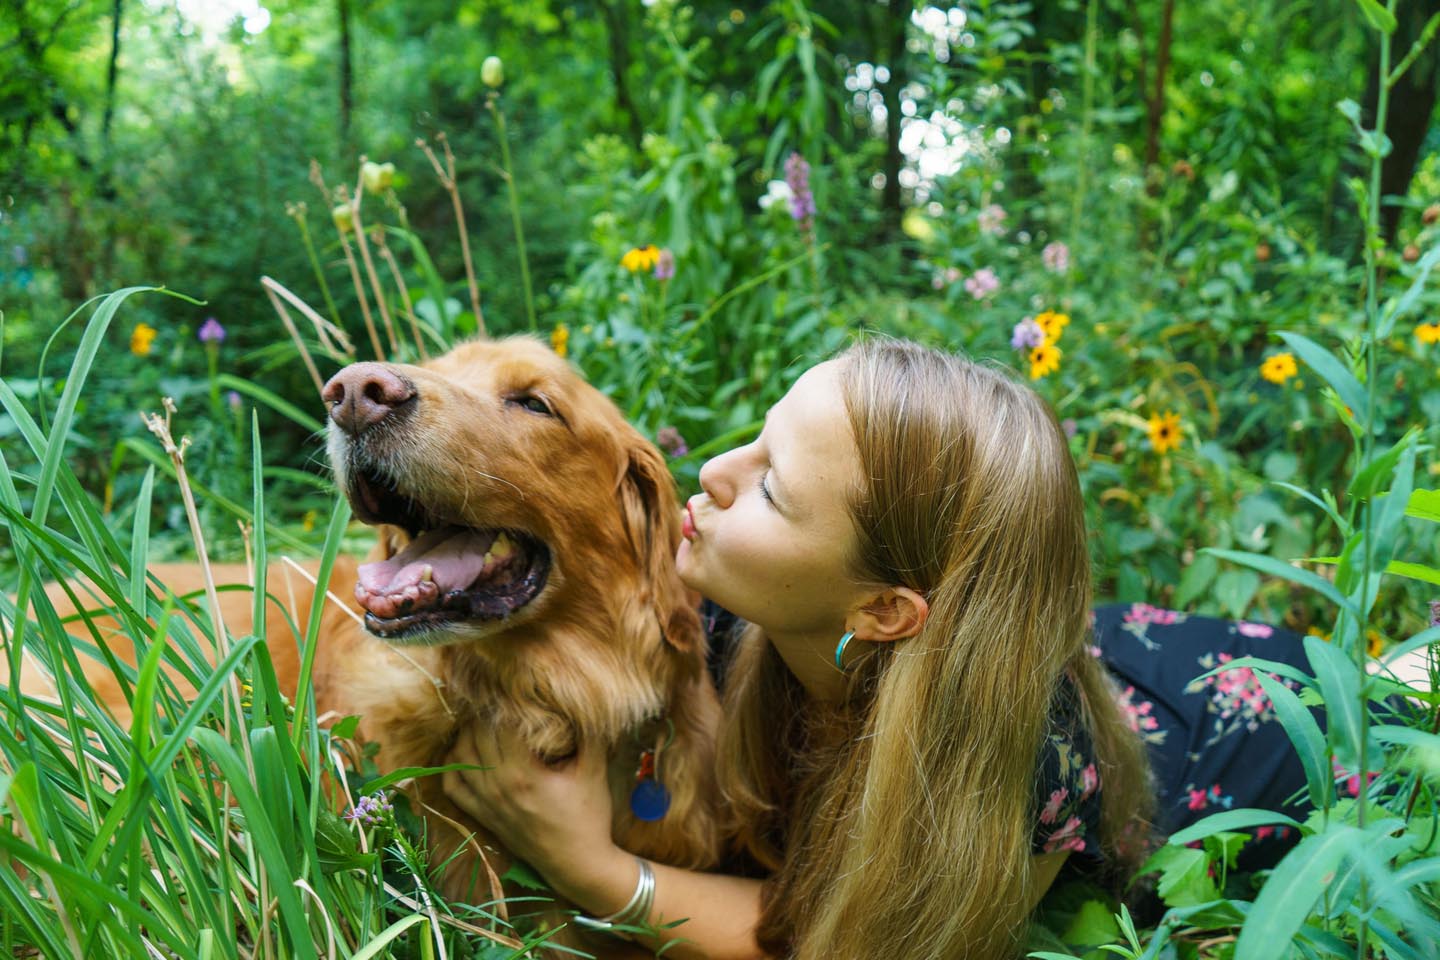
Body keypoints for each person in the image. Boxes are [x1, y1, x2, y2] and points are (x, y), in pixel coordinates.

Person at [440, 339, 1327, 959]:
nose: (713, 471)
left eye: (773, 488)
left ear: (882, 610)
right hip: (1111, 641)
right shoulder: (739, 601)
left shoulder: (1025, 768)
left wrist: (594, 869)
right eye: (759, 436)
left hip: (1265, 730)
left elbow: (849, 945)